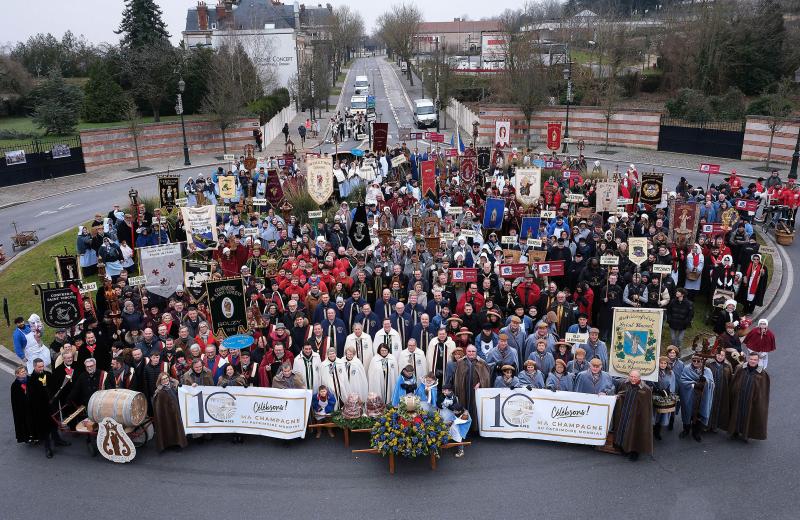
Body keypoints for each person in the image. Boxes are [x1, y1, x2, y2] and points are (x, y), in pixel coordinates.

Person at [28, 359, 68, 458]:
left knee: (54, 424)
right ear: (34, 367)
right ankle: (47, 447)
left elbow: (54, 387)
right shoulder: (31, 380)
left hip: (52, 406)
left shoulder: (48, 374)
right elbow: (32, 397)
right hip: (41, 409)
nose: (42, 368)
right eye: (39, 367)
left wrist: (54, 398)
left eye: (42, 366)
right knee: (45, 428)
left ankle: (57, 440)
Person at [727, 352, 769, 441]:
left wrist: (757, 400)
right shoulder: (740, 368)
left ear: (758, 361)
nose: (753, 361)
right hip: (739, 398)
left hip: (751, 400)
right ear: (748, 359)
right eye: (751, 359)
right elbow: (734, 382)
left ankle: (746, 434)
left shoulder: (762, 374)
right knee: (736, 414)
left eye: (755, 360)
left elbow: (763, 391)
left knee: (749, 415)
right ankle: (734, 431)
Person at [612, 370, 653, 461]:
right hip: (624, 412)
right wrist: (618, 397)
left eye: (635, 377)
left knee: (635, 432)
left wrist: (642, 417)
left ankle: (635, 451)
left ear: (639, 378)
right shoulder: (624, 383)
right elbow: (621, 393)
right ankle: (624, 448)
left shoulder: (645, 389)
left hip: (637, 415)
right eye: (631, 376)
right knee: (623, 429)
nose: (633, 379)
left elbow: (646, 407)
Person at [678, 353, 715, 442]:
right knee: (687, 412)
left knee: (698, 414)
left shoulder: (707, 371)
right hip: (689, 396)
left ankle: (696, 432)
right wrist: (694, 385)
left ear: (702, 361)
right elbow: (682, 381)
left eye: (698, 361)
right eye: (694, 360)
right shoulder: (687, 368)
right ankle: (686, 430)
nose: (696, 362)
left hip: (701, 397)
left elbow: (712, 384)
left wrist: (705, 380)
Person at [453, 345, 490, 431]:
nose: (471, 353)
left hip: (476, 391)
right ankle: (464, 428)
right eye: (469, 351)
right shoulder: (460, 362)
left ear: (476, 352)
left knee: (475, 408)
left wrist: (480, 383)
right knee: (463, 407)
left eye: (473, 351)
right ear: (466, 352)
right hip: (464, 390)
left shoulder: (482, 362)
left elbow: (486, 377)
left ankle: (475, 428)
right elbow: (457, 377)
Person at [152, 372, 187, 452]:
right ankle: (169, 444)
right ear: (160, 381)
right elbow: (159, 407)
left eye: (166, 378)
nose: (165, 380)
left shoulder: (172, 386)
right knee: (168, 428)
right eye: (163, 379)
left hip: (176, 411)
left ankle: (178, 443)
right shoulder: (160, 392)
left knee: (176, 427)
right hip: (166, 414)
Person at [705, 350, 733, 433]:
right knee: (708, 407)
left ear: (725, 357)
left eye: (722, 355)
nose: (720, 357)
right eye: (718, 355)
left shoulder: (728, 366)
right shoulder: (709, 364)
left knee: (718, 407)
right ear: (715, 355)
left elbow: (730, 379)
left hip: (721, 391)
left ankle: (714, 425)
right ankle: (706, 425)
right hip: (710, 391)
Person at [11, 365, 33, 444]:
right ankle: (27, 437)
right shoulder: (15, 386)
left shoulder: (30, 380)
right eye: (22, 372)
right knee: (25, 423)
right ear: (17, 374)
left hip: (32, 406)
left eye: (25, 371)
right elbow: (15, 400)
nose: (25, 373)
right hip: (23, 408)